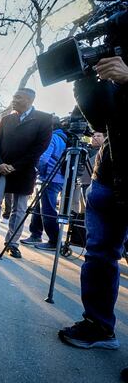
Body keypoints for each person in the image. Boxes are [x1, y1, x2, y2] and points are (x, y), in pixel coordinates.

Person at [59, 56, 128, 361]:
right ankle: (99, 326)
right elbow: (100, 120)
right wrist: (84, 80)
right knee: (98, 254)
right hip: (109, 172)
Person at [0, 88, 52, 259]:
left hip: (24, 170)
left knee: (19, 208)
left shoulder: (43, 119)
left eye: (18, 97)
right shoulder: (6, 119)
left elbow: (39, 148)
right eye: (14, 96)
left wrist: (15, 166)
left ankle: (12, 243)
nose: (14, 100)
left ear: (30, 99)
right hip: (0, 168)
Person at [20, 116, 67, 250]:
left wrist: (37, 171)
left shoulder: (52, 137)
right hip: (59, 178)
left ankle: (54, 241)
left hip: (49, 178)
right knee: (39, 207)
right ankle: (35, 234)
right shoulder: (64, 137)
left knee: (48, 210)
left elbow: (43, 159)